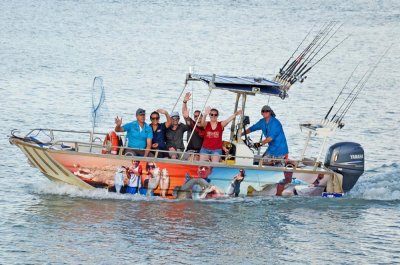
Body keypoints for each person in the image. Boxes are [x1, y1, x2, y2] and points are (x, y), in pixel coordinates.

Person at [182, 92, 205, 159]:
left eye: (199, 116)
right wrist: (184, 102)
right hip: (190, 150)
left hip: (201, 151)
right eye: (195, 116)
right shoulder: (191, 124)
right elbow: (185, 113)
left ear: (202, 117)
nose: (197, 117)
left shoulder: (205, 126)